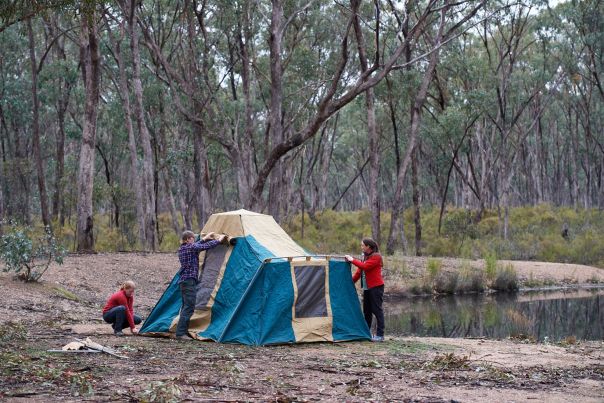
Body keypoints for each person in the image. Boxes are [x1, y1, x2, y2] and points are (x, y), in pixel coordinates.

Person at [175, 230, 226, 339]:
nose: (194, 240)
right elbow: (204, 246)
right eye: (193, 238)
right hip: (189, 281)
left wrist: (204, 238)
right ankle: (180, 334)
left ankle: (182, 331)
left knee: (186, 307)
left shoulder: (184, 248)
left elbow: (197, 245)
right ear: (188, 239)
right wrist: (219, 240)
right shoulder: (189, 247)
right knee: (189, 307)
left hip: (185, 281)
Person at [345, 238, 385, 342]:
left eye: (363, 245)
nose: (361, 247)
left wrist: (352, 259)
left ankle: (380, 335)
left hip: (376, 287)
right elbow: (359, 272)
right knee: (367, 311)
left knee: (377, 310)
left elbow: (365, 267)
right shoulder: (365, 257)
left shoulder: (376, 256)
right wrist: (349, 283)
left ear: (368, 246)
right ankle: (366, 333)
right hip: (367, 288)